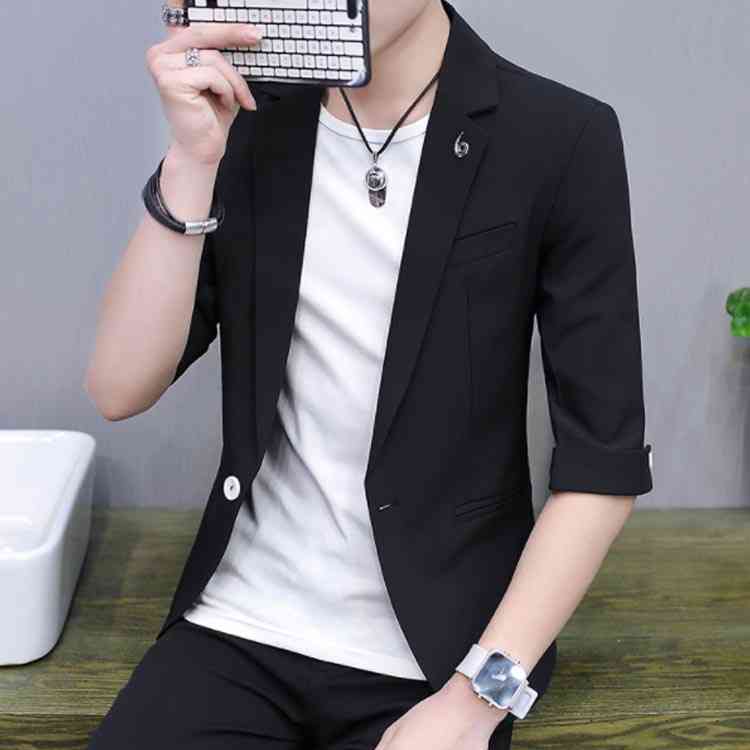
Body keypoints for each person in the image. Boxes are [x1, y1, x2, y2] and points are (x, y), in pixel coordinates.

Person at [84, 1, 653, 749]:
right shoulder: (252, 118)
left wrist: (478, 698)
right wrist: (191, 161)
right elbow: (119, 386)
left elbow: (601, 465)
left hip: (443, 652)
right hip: (238, 627)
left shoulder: (559, 136)